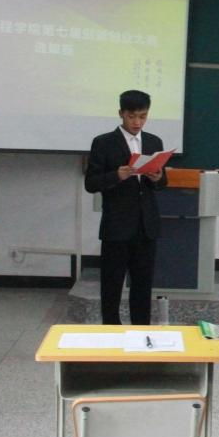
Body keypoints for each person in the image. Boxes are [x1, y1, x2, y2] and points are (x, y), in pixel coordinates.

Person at [84, 89, 167, 325]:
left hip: (146, 225)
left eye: (143, 116)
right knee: (112, 285)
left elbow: (162, 183)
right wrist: (116, 176)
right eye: (132, 116)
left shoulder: (154, 142)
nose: (137, 122)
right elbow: (91, 183)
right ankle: (111, 330)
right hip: (117, 225)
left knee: (143, 284)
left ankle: (141, 330)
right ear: (121, 113)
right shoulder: (103, 143)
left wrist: (157, 178)